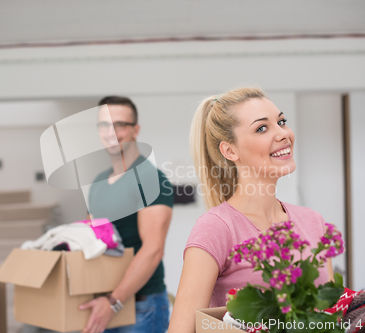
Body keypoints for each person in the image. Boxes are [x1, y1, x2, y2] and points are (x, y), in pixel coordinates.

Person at [167, 87, 335, 333]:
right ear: (230, 151)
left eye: (281, 121)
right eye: (262, 128)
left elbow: (332, 313)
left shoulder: (313, 222)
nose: (283, 134)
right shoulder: (216, 228)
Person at [79, 96, 174, 333]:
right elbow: (94, 241)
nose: (112, 132)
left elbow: (153, 250)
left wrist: (113, 302)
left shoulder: (150, 178)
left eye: (120, 124)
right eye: (105, 125)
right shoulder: (98, 182)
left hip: (141, 307)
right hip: (105, 304)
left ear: (135, 130)